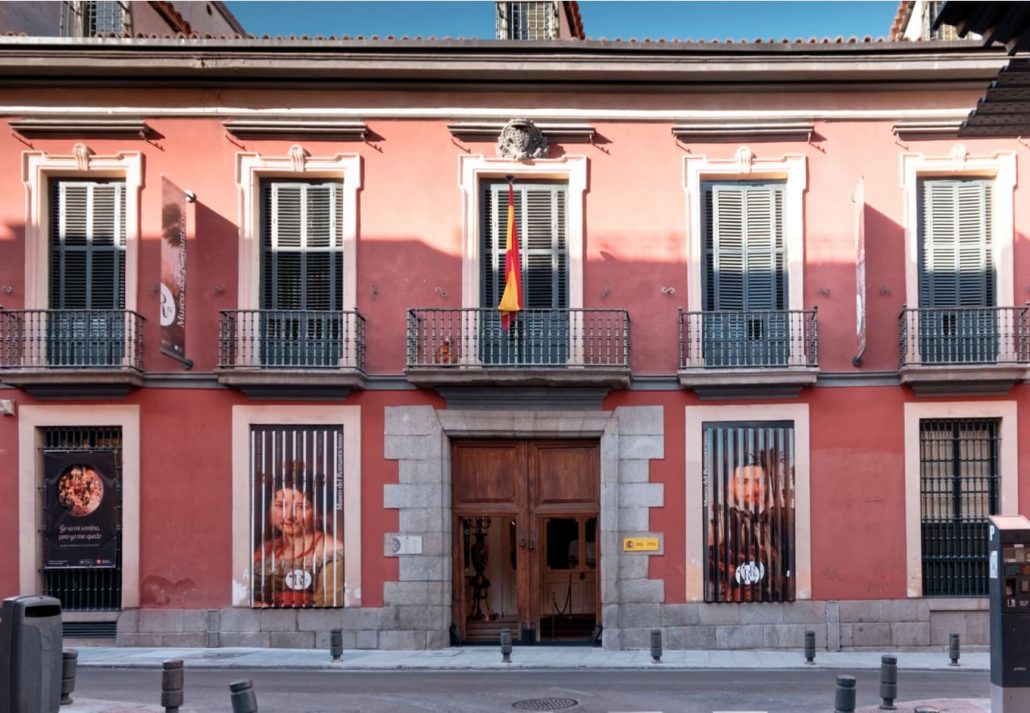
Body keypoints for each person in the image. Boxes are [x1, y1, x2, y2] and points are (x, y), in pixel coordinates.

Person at [253, 464, 344, 608]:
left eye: (302, 507)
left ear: (318, 513)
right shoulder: (268, 549)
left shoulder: (331, 551)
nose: (289, 516)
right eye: (280, 506)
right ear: (269, 511)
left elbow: (329, 606)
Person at [707, 456, 794, 603]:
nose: (753, 490)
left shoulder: (782, 520)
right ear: (729, 485)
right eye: (744, 482)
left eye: (760, 482)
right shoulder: (720, 525)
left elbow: (791, 561)